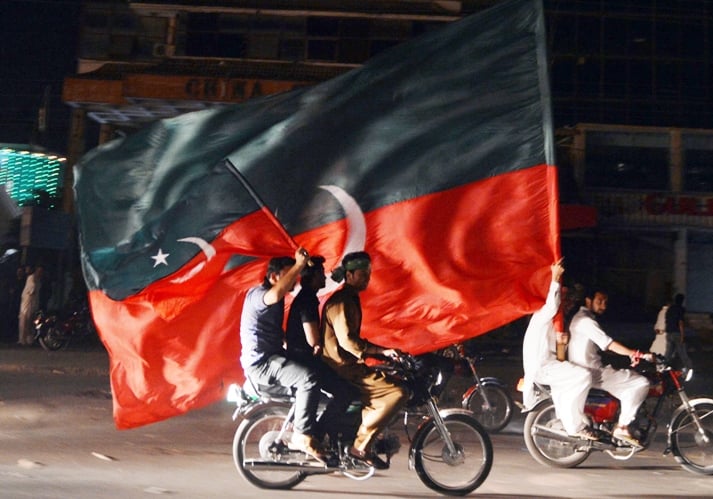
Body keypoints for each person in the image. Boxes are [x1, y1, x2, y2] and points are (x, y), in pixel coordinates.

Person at [321, 251, 407, 469]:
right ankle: (361, 446)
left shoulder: (349, 298)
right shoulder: (341, 302)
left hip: (348, 365)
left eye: (368, 273)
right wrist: (380, 351)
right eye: (362, 274)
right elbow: (348, 341)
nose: (367, 278)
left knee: (388, 378)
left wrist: (381, 353)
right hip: (342, 367)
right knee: (396, 393)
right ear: (349, 275)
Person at [239, 248, 325, 463]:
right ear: (274, 276)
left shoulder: (276, 301)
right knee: (308, 378)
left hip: (272, 358)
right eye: (290, 275)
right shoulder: (260, 296)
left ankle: (307, 429)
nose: (294, 279)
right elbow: (276, 293)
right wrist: (298, 264)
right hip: (262, 364)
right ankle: (302, 435)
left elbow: (273, 331)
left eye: (295, 275)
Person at [285, 255, 359, 445]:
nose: (325, 279)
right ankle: (318, 434)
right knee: (345, 392)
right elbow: (313, 340)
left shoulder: (307, 298)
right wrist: (322, 345)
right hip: (305, 360)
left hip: (303, 358)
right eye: (321, 275)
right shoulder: (307, 300)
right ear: (313, 277)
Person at [522, 259, 597, 440]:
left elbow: (560, 357)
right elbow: (552, 304)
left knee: (577, 378)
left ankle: (566, 419)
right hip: (542, 367)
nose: (567, 302)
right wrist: (555, 278)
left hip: (550, 366)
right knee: (583, 376)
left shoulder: (555, 324)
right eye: (564, 297)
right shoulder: (541, 316)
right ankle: (574, 425)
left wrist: (562, 343)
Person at [568, 286, 652, 447]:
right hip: (592, 371)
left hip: (590, 368)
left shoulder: (583, 318)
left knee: (628, 377)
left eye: (605, 302)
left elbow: (601, 347)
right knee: (641, 383)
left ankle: (617, 420)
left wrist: (627, 355)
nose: (603, 306)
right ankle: (622, 427)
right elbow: (609, 344)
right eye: (599, 301)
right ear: (588, 300)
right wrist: (634, 353)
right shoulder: (586, 321)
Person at [664, 293, 693, 373]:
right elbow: (680, 322)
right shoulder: (680, 309)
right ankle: (689, 368)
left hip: (669, 332)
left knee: (668, 353)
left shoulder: (670, 309)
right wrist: (682, 335)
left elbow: (667, 321)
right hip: (676, 333)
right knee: (682, 352)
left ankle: (663, 367)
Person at [18, 265, 43, 346]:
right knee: (25, 321)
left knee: (31, 321)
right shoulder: (31, 278)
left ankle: (29, 339)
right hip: (27, 302)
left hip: (34, 303)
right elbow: (31, 290)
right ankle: (23, 339)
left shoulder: (38, 280)